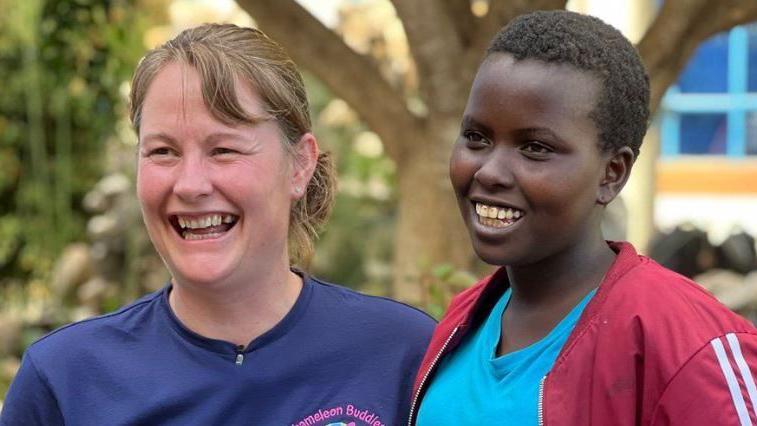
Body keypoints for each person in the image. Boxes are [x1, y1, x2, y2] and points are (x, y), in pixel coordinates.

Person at [1, 24, 435, 426]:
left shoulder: (404, 353)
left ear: (300, 164)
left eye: (224, 149)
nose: (190, 185)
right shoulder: (63, 377)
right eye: (163, 152)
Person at [410, 10, 757, 426]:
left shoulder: (688, 345)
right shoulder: (463, 320)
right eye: (477, 138)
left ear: (612, 174)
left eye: (535, 148)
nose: (489, 172)